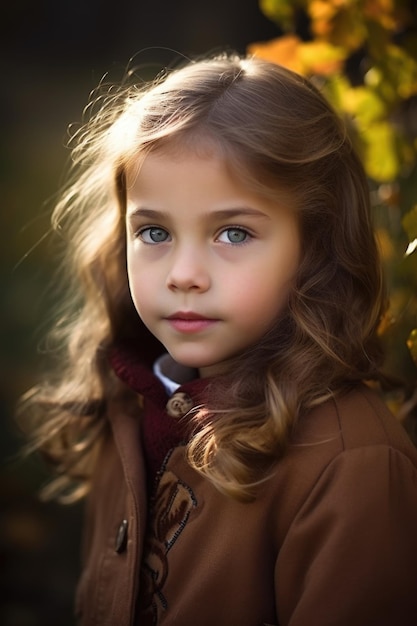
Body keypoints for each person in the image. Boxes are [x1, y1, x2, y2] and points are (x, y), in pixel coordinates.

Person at [20, 53, 417, 625]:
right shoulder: (130, 407)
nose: (184, 273)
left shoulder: (353, 465)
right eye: (154, 231)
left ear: (315, 246)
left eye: (233, 232)